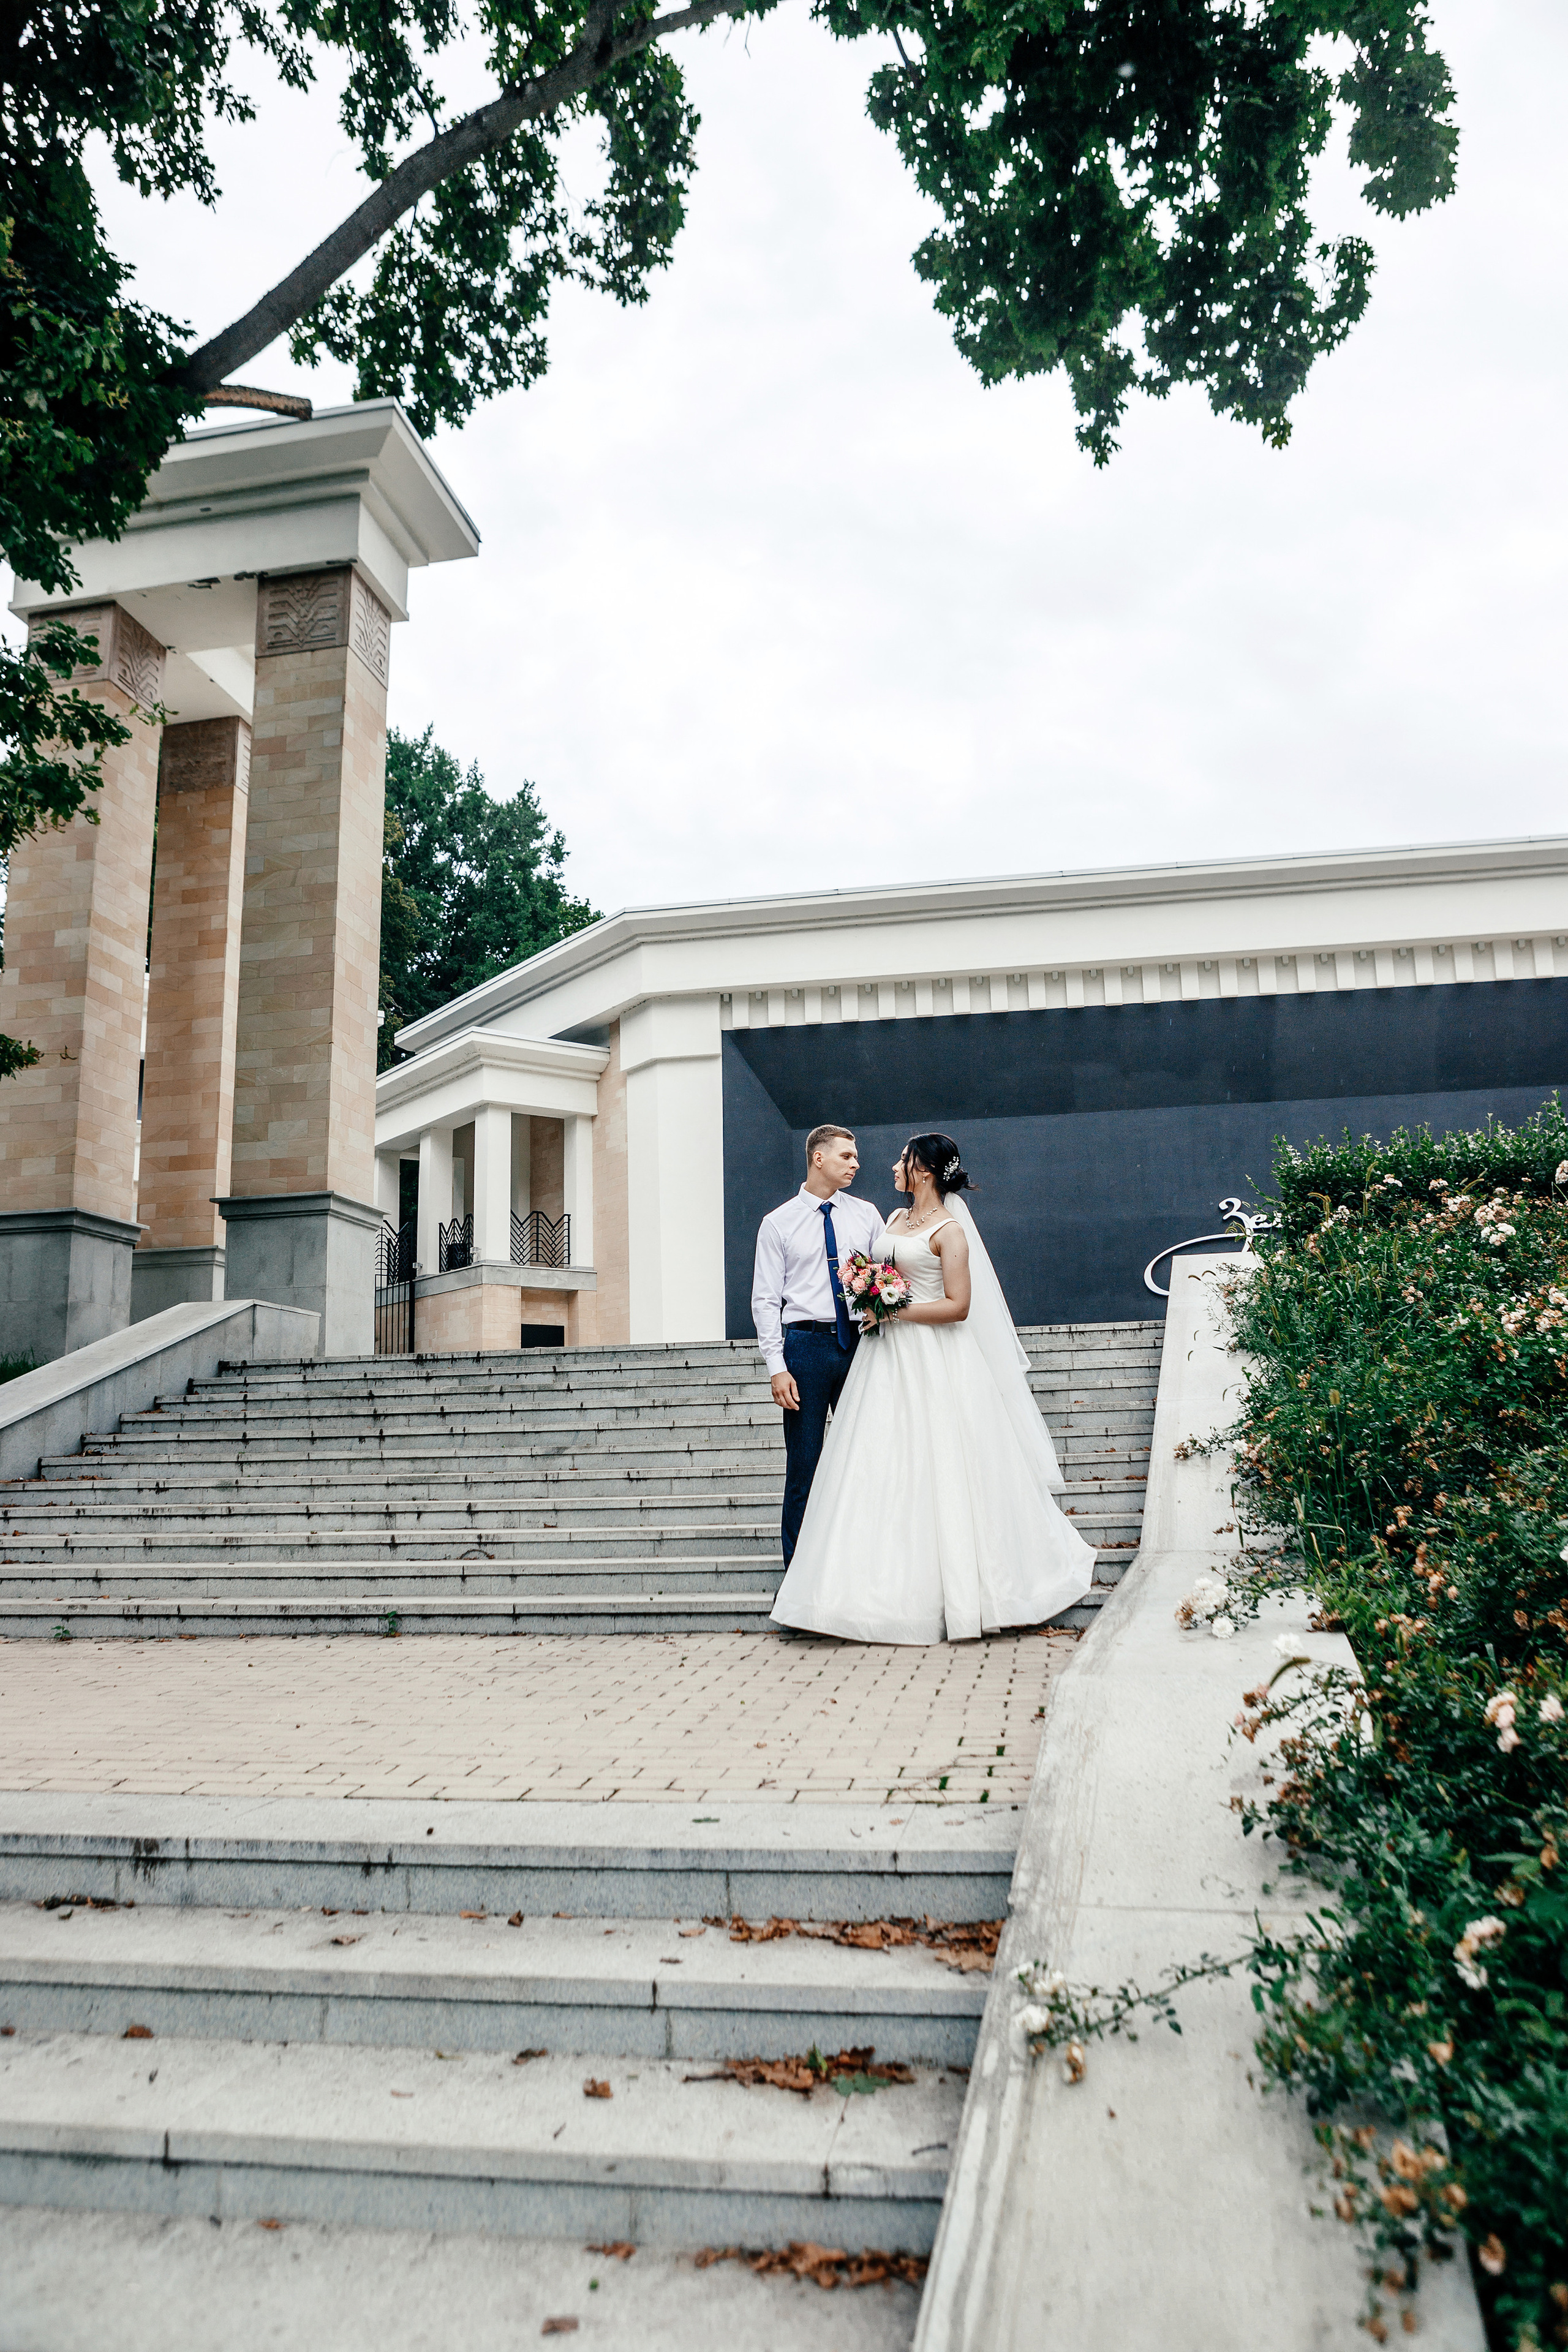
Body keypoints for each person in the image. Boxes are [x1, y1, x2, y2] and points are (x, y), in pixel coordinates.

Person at [769, 1131, 1096, 1645]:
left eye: (904, 1159)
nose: (892, 1164)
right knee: (876, 1464)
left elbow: (959, 1306)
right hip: (879, 1358)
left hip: (930, 1354)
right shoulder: (893, 1219)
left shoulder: (949, 1231)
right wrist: (870, 1300)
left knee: (940, 1459)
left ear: (923, 1170)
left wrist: (891, 1311)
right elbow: (871, 1273)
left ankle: (959, 1586)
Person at [752, 1125, 887, 1566]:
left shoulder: (866, 1214)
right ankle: (799, 1575)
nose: (856, 1163)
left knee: (866, 1461)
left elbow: (884, 1277)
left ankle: (862, 1565)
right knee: (805, 1467)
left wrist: (878, 1310)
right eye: (847, 1156)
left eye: (855, 1156)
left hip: (860, 1347)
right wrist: (777, 1365)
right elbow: (766, 1299)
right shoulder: (778, 1223)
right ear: (819, 1159)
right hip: (805, 1349)